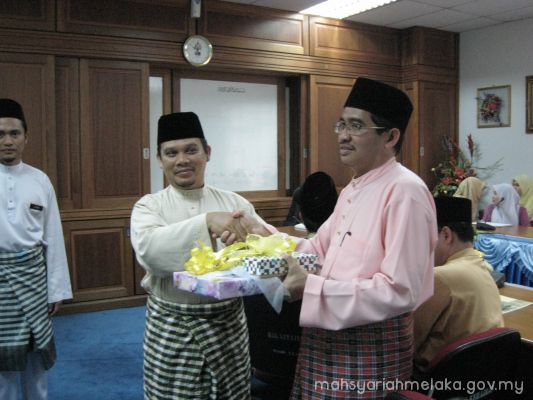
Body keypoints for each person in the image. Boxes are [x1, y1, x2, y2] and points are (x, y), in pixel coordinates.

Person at [281, 78, 438, 399]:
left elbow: (399, 290)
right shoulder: (353, 188)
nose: (343, 135)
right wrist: (261, 234)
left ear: (390, 137)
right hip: (326, 338)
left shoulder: (405, 191)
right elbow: (316, 250)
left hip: (370, 345)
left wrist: (312, 288)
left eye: (356, 126)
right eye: (341, 124)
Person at [130, 111, 270, 400]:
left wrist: (256, 238)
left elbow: (264, 251)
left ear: (207, 153)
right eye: (171, 153)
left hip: (227, 326)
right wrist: (207, 222)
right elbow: (151, 253)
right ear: (159, 160)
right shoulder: (149, 207)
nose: (182, 160)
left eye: (191, 150)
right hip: (173, 327)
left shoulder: (235, 203)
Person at [0, 99, 72, 400]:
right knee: (3, 364)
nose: (7, 141)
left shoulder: (39, 180)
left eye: (14, 133)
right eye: (1, 134)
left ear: (26, 137)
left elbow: (53, 236)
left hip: (33, 279)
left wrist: (56, 289)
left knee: (36, 357)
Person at [245, 171, 338, 400]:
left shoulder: (263, 263)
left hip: (267, 365)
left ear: (301, 214)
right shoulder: (337, 268)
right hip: (316, 367)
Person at [413, 196, 504, 372]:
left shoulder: (440, 277)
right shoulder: (484, 267)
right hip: (479, 376)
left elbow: (408, 342)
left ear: (446, 235)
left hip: (434, 380)